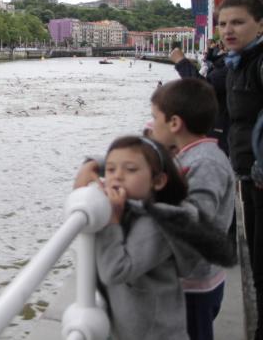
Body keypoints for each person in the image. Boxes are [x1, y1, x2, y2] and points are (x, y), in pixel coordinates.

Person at [76, 136, 231, 340]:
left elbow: (115, 271)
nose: (117, 177)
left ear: (157, 181)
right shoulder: (131, 212)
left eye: (130, 170)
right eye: (111, 170)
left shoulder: (156, 224)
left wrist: (111, 223)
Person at [149, 79, 235, 340]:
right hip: (192, 281)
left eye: (154, 119)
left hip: (195, 286)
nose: (151, 126)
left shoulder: (205, 164)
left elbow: (195, 225)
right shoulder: (191, 153)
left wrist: (142, 209)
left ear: (174, 123)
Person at [217, 0, 263, 340]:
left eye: (238, 22)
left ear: (259, 24)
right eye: (222, 23)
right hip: (248, 175)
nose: (228, 30)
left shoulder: (257, 62)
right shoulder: (238, 62)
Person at [169, 44, 229, 154]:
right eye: (223, 25)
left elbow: (204, 89)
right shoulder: (230, 61)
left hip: (225, 135)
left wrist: (181, 62)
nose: (227, 30)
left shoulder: (235, 65)